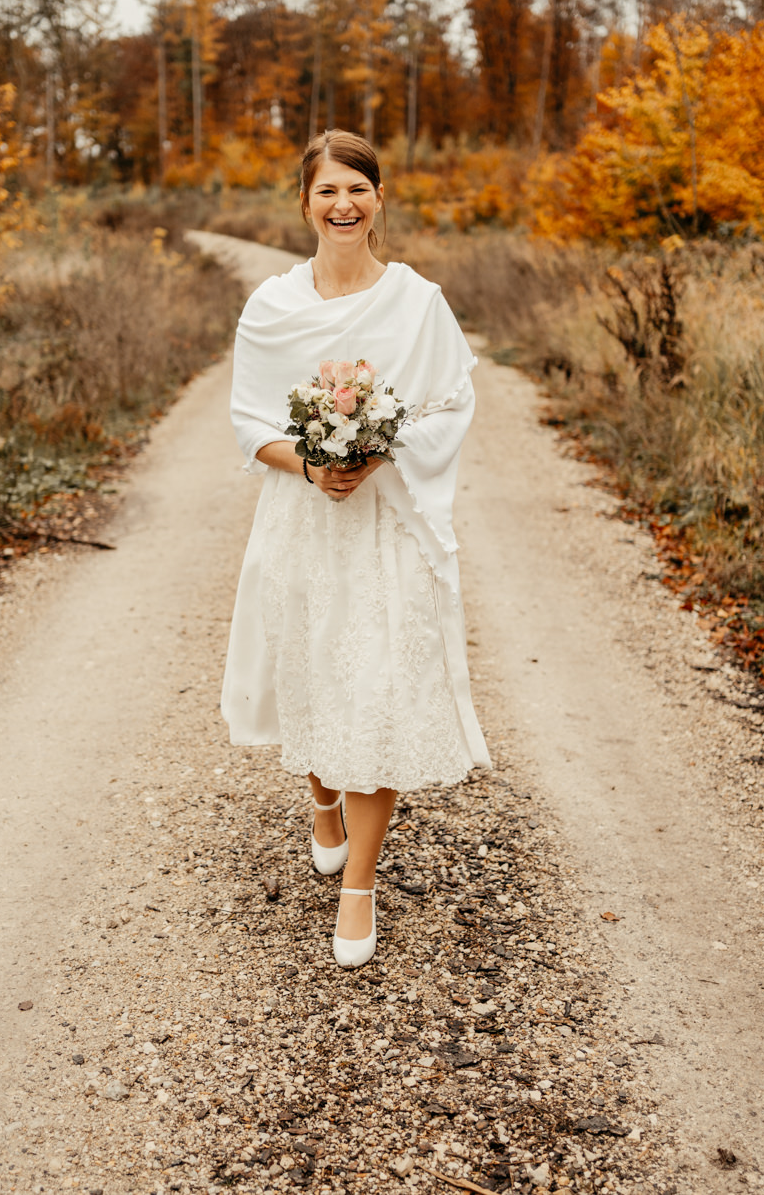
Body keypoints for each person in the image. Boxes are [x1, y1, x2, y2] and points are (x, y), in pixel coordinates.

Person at [221, 128, 490, 968]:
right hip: (302, 520)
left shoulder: (418, 301)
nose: (344, 205)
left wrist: (380, 450)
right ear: (304, 203)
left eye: (359, 189)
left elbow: (450, 402)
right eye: (328, 191)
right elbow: (248, 421)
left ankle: (359, 888)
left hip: (388, 521)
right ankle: (321, 801)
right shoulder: (271, 307)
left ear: (380, 201)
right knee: (311, 674)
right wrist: (309, 462)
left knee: (379, 689)